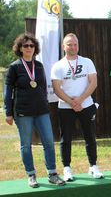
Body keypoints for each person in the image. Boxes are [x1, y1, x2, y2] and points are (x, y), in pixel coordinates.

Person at [4, 33, 65, 188]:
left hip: (41, 111)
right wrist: (8, 112)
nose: (29, 48)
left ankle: (52, 173)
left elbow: (43, 87)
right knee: (26, 145)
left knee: (49, 143)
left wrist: (44, 102)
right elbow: (8, 92)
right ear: (20, 48)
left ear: (35, 48)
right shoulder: (14, 67)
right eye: (25, 46)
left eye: (31, 45)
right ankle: (31, 175)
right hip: (23, 112)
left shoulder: (38, 66)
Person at [51, 33, 103, 181]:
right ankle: (67, 168)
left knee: (90, 137)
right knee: (65, 139)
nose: (73, 47)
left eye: (75, 44)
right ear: (63, 46)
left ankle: (93, 166)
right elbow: (57, 88)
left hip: (86, 105)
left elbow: (93, 82)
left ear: (78, 45)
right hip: (66, 108)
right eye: (69, 44)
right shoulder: (58, 65)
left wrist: (80, 100)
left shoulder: (87, 62)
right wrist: (71, 102)